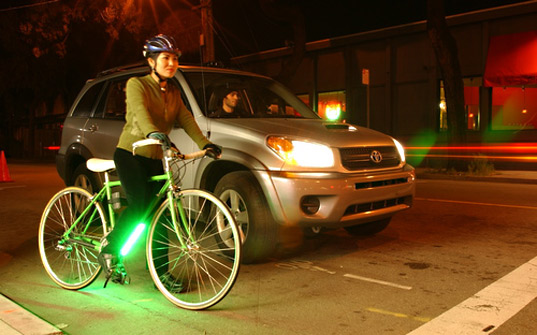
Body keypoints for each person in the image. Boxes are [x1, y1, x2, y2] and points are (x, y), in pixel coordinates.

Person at [98, 34, 221, 288]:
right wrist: (152, 132)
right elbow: (141, 114)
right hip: (131, 154)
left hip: (156, 158)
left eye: (175, 59)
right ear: (152, 62)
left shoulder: (173, 92)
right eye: (165, 58)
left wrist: (205, 144)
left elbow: (187, 120)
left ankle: (161, 275)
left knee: (162, 216)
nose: (171, 63)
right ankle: (110, 248)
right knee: (141, 204)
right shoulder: (137, 84)